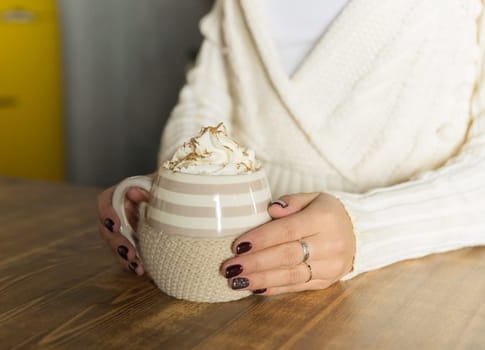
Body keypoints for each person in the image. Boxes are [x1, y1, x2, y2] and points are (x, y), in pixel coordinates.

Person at [97, 0, 485, 296]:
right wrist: (182, 185)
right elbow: (206, 99)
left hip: (418, 283)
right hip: (235, 267)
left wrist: (365, 228)